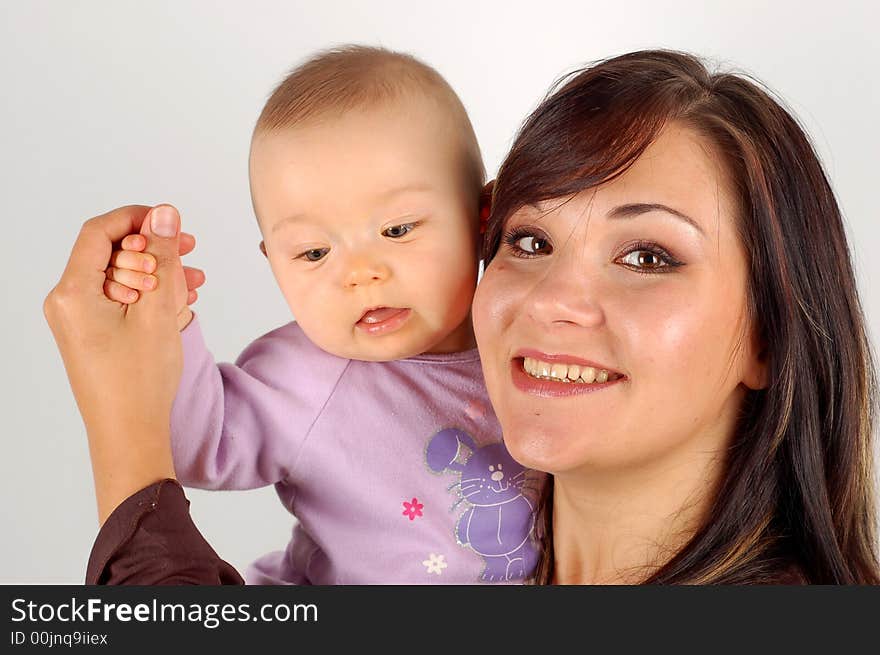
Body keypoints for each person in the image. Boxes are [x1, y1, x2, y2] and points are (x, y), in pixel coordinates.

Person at [47, 49, 879, 585]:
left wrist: (121, 433)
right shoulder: (322, 375)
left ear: (769, 331)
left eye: (649, 256)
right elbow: (211, 431)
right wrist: (156, 338)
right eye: (529, 239)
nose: (552, 298)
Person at [87, 45, 541, 585]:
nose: (359, 273)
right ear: (273, 262)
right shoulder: (304, 375)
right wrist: (167, 322)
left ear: (484, 218)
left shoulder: (535, 343)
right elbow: (194, 447)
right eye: (313, 253)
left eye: (397, 230)